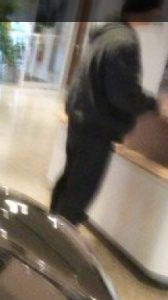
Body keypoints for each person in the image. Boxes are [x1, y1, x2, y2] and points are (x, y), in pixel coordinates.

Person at [50, 0, 164, 225]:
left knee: (68, 185)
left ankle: (48, 232)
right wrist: (155, 104)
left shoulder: (106, 33)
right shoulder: (125, 43)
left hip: (80, 122)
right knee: (78, 195)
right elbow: (123, 95)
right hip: (95, 131)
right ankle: (56, 245)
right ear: (149, 10)